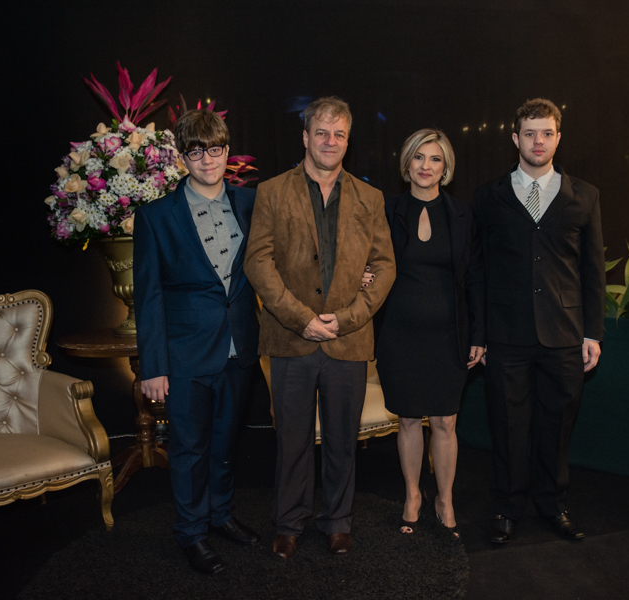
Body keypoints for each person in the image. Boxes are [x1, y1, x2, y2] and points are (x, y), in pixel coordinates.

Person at [243, 96, 395, 559]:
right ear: (306, 137)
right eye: (322, 133)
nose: (330, 141)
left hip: (348, 339)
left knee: (342, 442)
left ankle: (337, 522)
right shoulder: (272, 192)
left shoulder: (370, 198)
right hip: (290, 337)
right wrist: (301, 319)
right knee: (291, 441)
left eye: (339, 134)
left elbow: (384, 266)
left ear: (348, 141)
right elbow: (257, 262)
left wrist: (347, 318)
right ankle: (288, 523)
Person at [133, 109, 261, 575]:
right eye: (195, 152)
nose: (207, 160)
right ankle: (191, 532)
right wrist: (153, 366)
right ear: (181, 157)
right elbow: (147, 296)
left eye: (215, 149)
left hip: (240, 347)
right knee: (189, 450)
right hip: (185, 355)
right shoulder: (155, 216)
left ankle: (220, 515)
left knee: (226, 443)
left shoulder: (251, 203)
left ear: (227, 151)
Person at [473, 98, 606, 543]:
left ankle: (553, 503)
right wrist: (480, 335)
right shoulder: (488, 196)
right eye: (529, 133)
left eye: (546, 133)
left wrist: (592, 333)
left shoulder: (585, 196)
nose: (538, 141)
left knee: (556, 425)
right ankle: (507, 507)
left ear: (558, 138)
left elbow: (592, 271)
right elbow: (478, 270)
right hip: (505, 335)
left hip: (564, 335)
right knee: (508, 427)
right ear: (515, 138)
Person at [374, 128, 484, 538]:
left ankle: (445, 500)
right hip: (398, 335)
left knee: (445, 422)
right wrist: (363, 276)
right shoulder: (385, 210)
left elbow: (476, 279)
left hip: (449, 337)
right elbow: (366, 261)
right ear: (407, 163)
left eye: (435, 158)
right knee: (407, 420)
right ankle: (412, 496)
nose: (426, 166)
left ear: (445, 167)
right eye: (419, 157)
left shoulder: (464, 215)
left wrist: (479, 334)